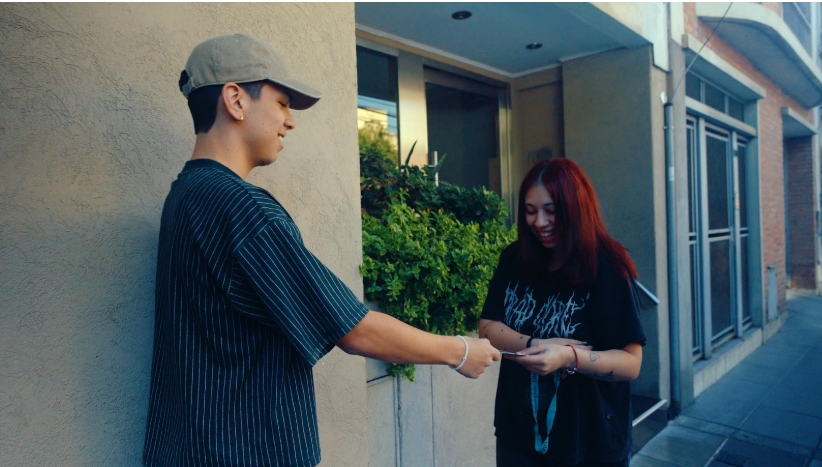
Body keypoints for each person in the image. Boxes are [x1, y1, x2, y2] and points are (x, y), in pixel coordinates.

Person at [142, 34, 500, 467]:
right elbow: (354, 329)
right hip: (245, 454)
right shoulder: (240, 207)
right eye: (281, 103)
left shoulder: (185, 195)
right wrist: (459, 351)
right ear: (235, 101)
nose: (290, 121)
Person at [479, 158, 646, 467]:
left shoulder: (607, 267)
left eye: (551, 210)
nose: (539, 222)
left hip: (588, 443)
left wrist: (568, 356)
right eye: (530, 211)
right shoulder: (515, 258)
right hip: (519, 435)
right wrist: (535, 345)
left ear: (576, 208)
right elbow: (487, 327)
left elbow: (631, 363)